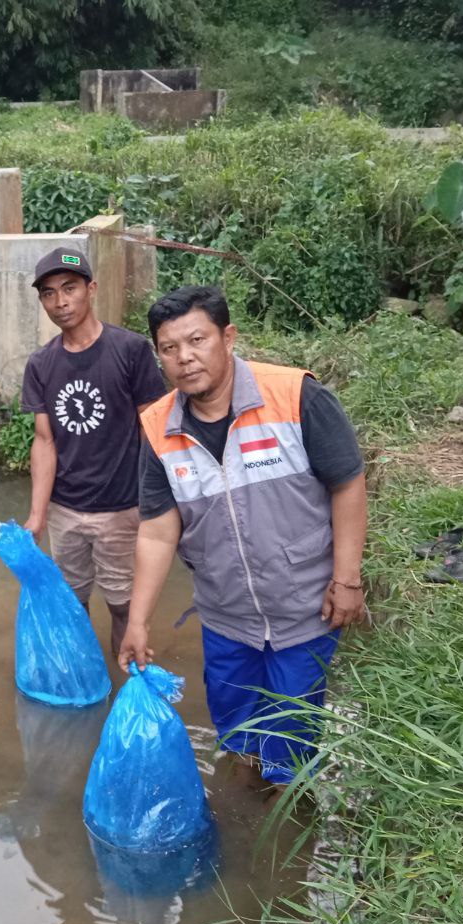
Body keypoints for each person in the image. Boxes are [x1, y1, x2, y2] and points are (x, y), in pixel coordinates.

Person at [118, 285, 368, 786]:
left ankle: (284, 818)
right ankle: (245, 813)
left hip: (305, 611)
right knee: (236, 734)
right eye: (170, 348)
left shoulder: (295, 396)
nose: (186, 358)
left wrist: (347, 579)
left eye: (197, 340)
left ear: (228, 337)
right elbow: (157, 532)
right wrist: (138, 620)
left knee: (291, 741)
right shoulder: (157, 428)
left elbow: (347, 482)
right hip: (225, 617)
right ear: (159, 356)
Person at [21, 247, 167, 660]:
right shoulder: (41, 364)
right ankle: (87, 683)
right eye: (49, 293)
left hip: (122, 508)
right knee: (72, 603)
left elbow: (153, 430)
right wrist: (37, 513)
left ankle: (125, 688)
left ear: (91, 289)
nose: (60, 301)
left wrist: (158, 504)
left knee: (123, 604)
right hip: (66, 508)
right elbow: (45, 441)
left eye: (70, 288)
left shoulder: (131, 350)